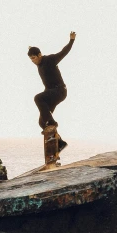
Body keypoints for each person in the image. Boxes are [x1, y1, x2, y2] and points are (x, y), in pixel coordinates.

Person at [28, 31, 76, 166]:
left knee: (38, 98)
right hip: (51, 93)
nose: (33, 61)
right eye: (31, 59)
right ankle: (59, 143)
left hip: (60, 91)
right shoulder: (39, 66)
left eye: (34, 58)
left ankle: (52, 122)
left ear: (39, 55)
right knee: (42, 123)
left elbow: (63, 52)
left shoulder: (49, 60)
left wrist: (71, 40)